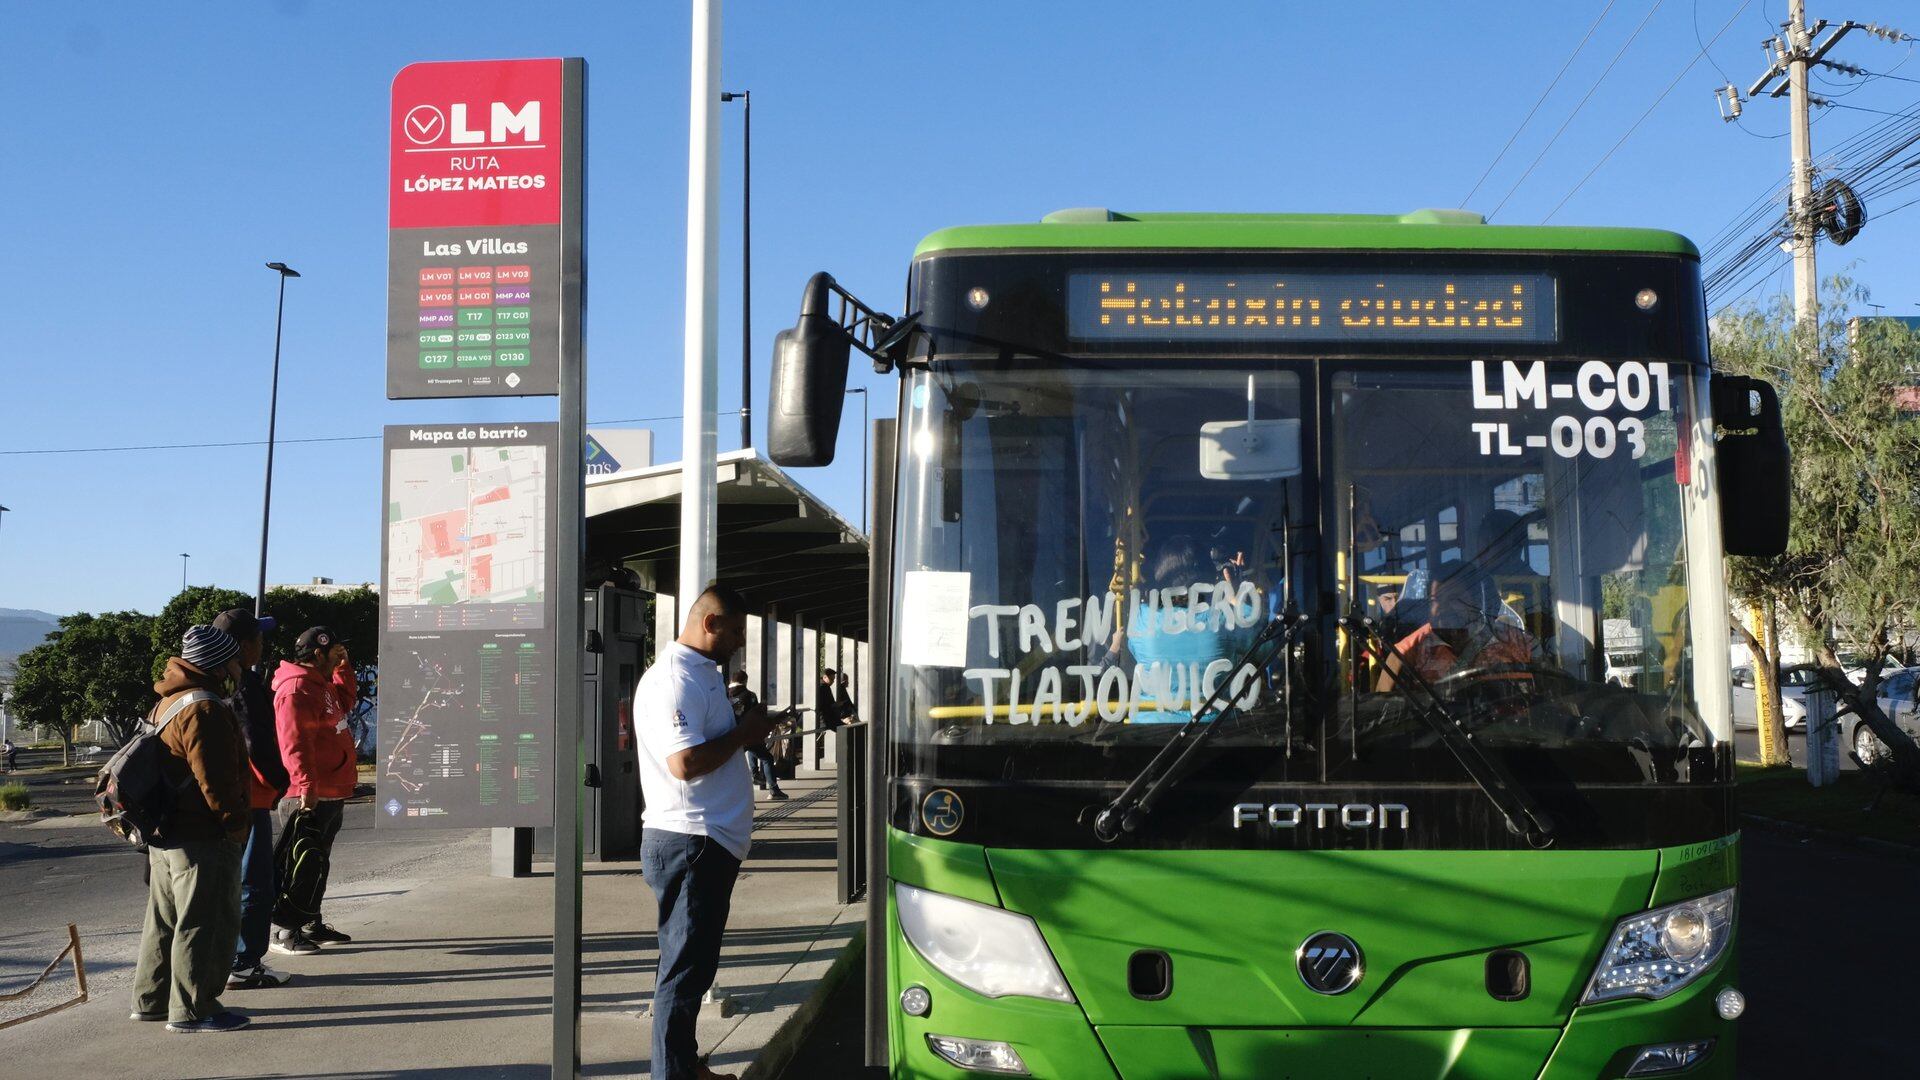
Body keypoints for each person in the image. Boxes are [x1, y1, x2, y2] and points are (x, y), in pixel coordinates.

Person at [635, 585, 775, 1080]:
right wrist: (744, 734)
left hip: (704, 840)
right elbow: (685, 762)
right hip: (691, 840)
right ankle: (673, 1074)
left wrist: (746, 730)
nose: (740, 641)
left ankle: (684, 1065)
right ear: (709, 623)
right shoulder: (675, 680)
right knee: (684, 971)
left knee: (689, 966)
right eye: (735, 630)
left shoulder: (701, 674)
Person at [130, 625, 252, 1033]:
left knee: (164, 921)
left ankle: (151, 1001)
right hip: (202, 835)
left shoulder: (167, 702)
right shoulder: (205, 709)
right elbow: (215, 782)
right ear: (218, 665)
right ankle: (195, 1009)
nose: (239, 668)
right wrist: (236, 825)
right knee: (206, 921)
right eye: (234, 661)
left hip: (166, 833)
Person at [211, 608, 294, 990]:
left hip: (238, 797)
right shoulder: (242, 686)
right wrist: (279, 782)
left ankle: (235, 960)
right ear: (243, 646)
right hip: (253, 798)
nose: (263, 644)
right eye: (258, 638)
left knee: (240, 882)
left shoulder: (225, 682)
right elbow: (255, 742)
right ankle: (244, 964)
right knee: (255, 884)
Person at [269, 626, 358, 955]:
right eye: (335, 651)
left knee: (316, 864)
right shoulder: (297, 688)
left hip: (330, 791)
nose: (340, 654)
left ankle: (309, 922)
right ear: (318, 653)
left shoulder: (321, 684)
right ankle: (283, 932)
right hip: (307, 794)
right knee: (299, 866)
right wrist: (306, 784)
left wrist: (343, 669)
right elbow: (293, 741)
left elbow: (345, 703)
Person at [1375, 573, 1536, 693]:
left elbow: (1548, 696)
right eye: (1435, 600)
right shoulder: (1406, 652)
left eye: (1454, 599)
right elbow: (1386, 710)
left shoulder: (1520, 643)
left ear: (1477, 603)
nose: (1443, 607)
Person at [728, 669, 786, 800]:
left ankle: (753, 777)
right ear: (745, 681)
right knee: (767, 758)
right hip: (749, 734)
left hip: (731, 735)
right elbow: (757, 716)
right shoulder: (750, 695)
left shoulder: (725, 695)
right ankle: (773, 789)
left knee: (736, 765)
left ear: (732, 680)